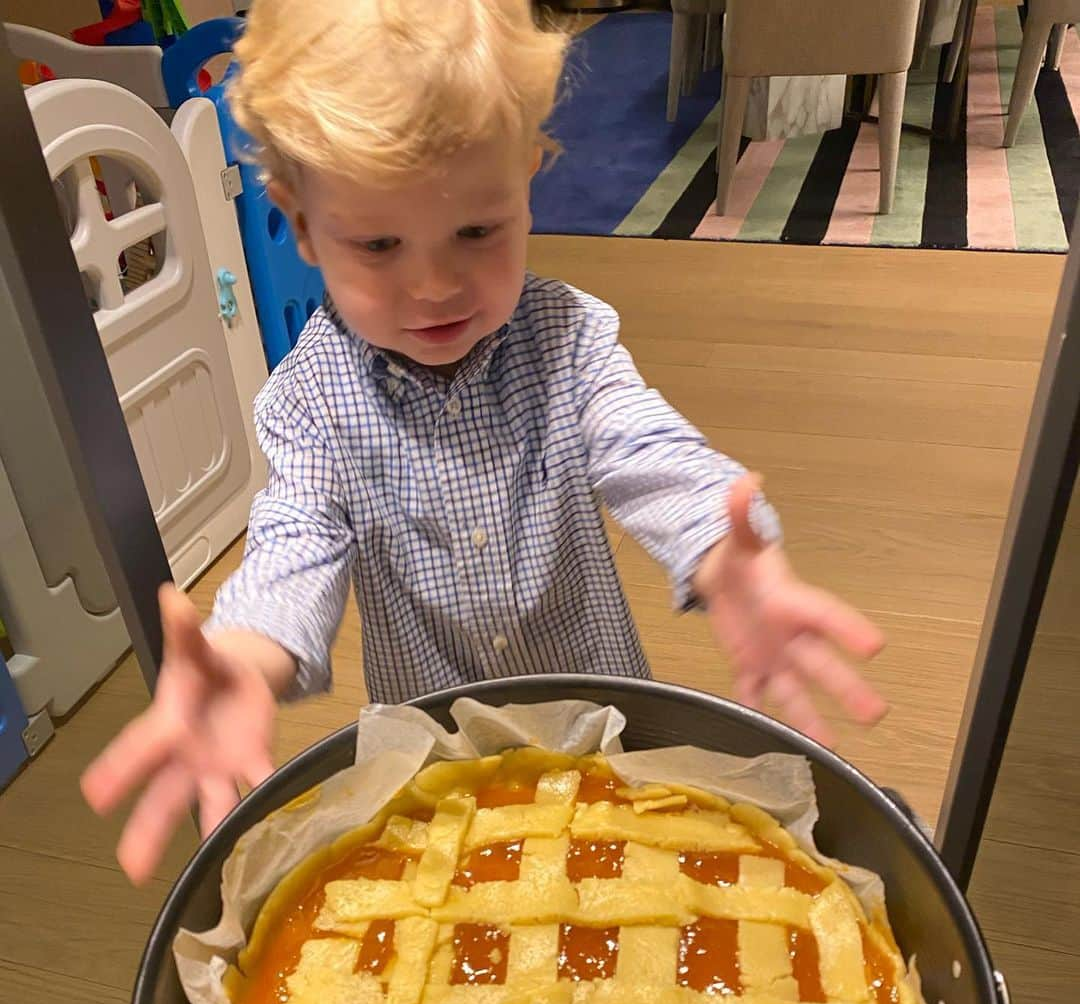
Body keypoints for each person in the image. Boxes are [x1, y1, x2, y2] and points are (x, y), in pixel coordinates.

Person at [82, 0, 886, 885]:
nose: (433, 285)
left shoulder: (568, 342)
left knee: (618, 897)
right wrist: (242, 657)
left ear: (529, 177)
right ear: (303, 225)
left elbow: (647, 446)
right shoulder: (311, 402)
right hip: (440, 747)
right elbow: (293, 543)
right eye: (379, 244)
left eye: (477, 231)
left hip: (599, 718)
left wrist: (725, 549)